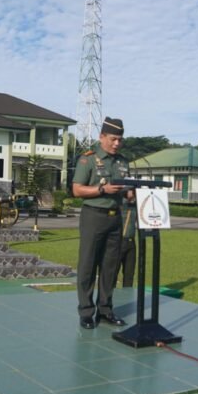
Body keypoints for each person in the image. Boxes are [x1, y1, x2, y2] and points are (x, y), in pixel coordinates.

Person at [72, 117, 132, 329]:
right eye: (113, 139)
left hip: (115, 217)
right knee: (88, 264)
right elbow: (77, 189)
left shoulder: (123, 162)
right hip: (93, 216)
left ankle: (105, 310)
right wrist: (101, 190)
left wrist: (131, 193)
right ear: (102, 137)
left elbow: (127, 190)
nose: (117, 144)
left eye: (120, 140)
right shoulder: (88, 159)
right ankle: (86, 312)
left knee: (110, 267)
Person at [118, 196, 137, 287]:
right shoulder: (122, 203)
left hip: (131, 241)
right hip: (120, 241)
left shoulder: (135, 205)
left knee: (129, 274)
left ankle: (127, 295)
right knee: (113, 273)